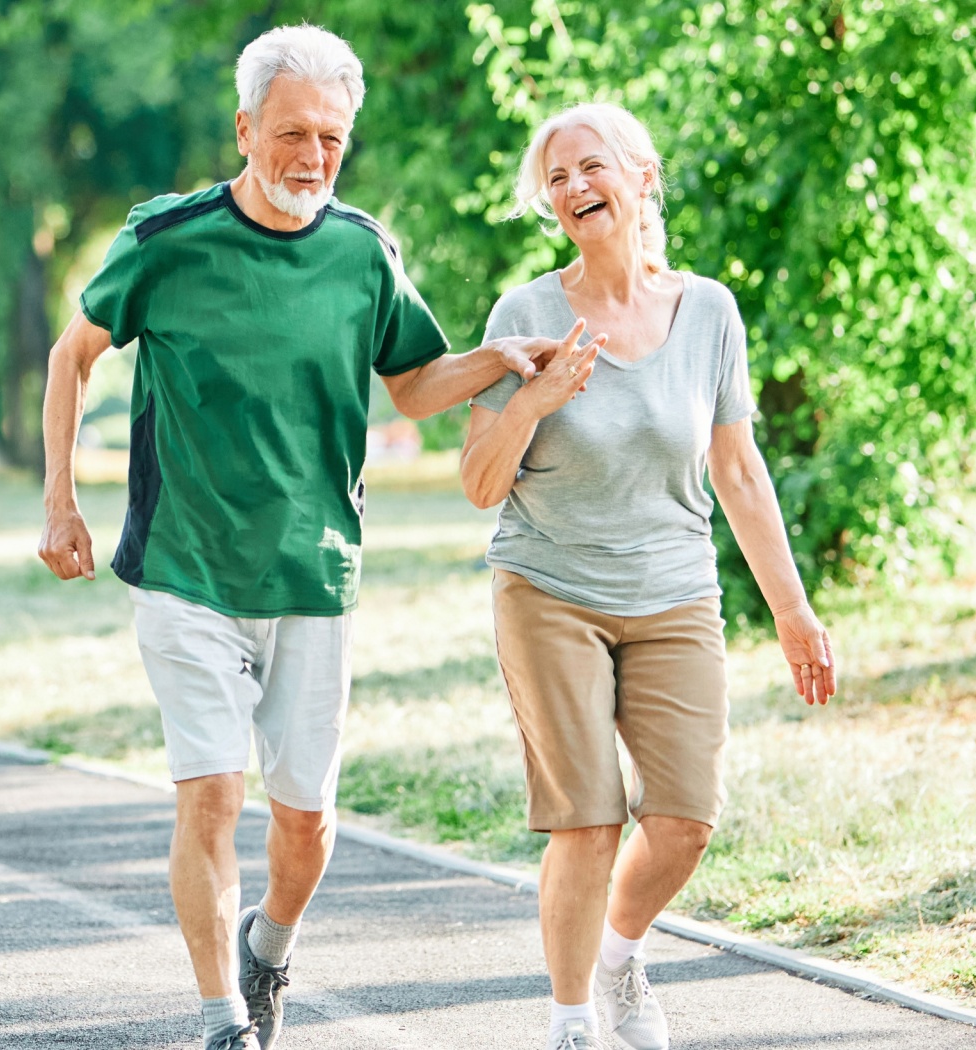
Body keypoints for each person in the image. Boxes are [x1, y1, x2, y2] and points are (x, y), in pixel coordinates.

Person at [37, 26, 580, 1050]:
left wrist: (494, 359)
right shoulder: (167, 239)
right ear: (244, 129)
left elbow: (412, 382)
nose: (311, 159)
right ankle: (220, 1021)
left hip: (314, 572)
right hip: (184, 571)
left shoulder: (361, 251)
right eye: (291, 134)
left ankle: (269, 947)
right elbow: (73, 358)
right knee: (210, 796)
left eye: (331, 139)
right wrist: (60, 501)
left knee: (305, 828)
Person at [461, 103, 839, 1050]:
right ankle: (571, 1020)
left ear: (642, 177)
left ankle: (619, 956)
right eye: (556, 179)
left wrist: (791, 611)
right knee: (586, 820)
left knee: (684, 819)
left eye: (591, 167)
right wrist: (536, 396)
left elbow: (739, 472)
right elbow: (478, 482)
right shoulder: (526, 314)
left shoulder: (707, 310)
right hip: (548, 586)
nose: (574, 188)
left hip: (674, 591)